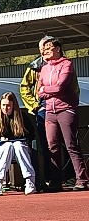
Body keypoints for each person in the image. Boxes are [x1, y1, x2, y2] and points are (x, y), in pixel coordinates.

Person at [36, 35, 88, 191]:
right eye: (43, 49)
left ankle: (81, 179)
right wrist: (46, 90)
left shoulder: (67, 64)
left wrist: (46, 89)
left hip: (66, 109)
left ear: (57, 48)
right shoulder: (44, 69)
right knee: (52, 146)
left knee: (71, 144)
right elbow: (39, 92)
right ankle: (55, 182)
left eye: (48, 48)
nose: (44, 51)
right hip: (49, 112)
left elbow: (60, 87)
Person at [0, 92, 37, 195]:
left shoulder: (22, 117)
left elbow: (31, 134)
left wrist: (19, 138)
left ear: (13, 105)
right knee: (8, 146)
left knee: (17, 145)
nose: (5, 108)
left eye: (8, 106)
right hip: (2, 148)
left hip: (20, 148)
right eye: (3, 105)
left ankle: (30, 180)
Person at [18, 55, 50, 190]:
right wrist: (35, 106)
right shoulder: (35, 66)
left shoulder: (64, 64)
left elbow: (74, 87)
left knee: (67, 144)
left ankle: (70, 176)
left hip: (62, 108)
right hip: (43, 109)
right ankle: (49, 179)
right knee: (46, 146)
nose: (46, 50)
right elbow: (24, 87)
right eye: (43, 48)